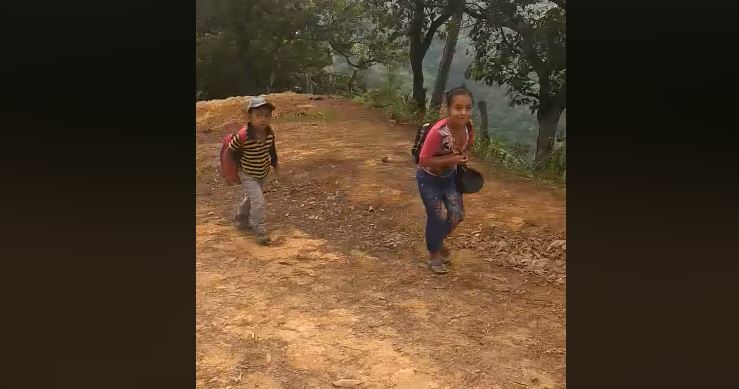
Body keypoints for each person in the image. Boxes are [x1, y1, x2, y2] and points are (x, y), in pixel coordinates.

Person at [416, 87, 475, 274]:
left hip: (450, 178)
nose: (463, 112)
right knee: (437, 216)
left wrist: (463, 157)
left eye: (467, 107)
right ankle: (434, 255)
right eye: (458, 108)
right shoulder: (438, 132)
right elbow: (423, 160)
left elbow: (467, 146)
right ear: (448, 109)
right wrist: (453, 159)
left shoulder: (468, 128)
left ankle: (436, 242)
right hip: (429, 179)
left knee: (457, 215)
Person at [229, 95, 279, 245]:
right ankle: (259, 228)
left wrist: (275, 164)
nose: (262, 119)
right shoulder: (242, 136)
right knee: (259, 201)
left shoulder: (269, 133)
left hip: (262, 172)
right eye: (258, 115)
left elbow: (272, 149)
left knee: (253, 198)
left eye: (266, 116)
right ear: (249, 117)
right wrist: (234, 169)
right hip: (247, 173)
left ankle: (240, 216)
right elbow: (231, 150)